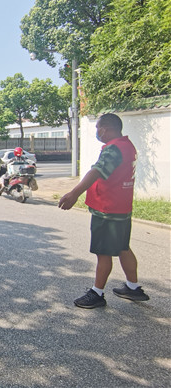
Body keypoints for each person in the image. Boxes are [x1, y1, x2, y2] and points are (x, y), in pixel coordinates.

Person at [59, 113, 149, 309]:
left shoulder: (114, 149)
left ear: (106, 128)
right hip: (121, 207)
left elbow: (96, 171)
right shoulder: (127, 146)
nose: (97, 132)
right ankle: (133, 288)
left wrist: (74, 193)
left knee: (103, 252)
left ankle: (97, 293)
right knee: (123, 247)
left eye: (98, 128)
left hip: (107, 209)